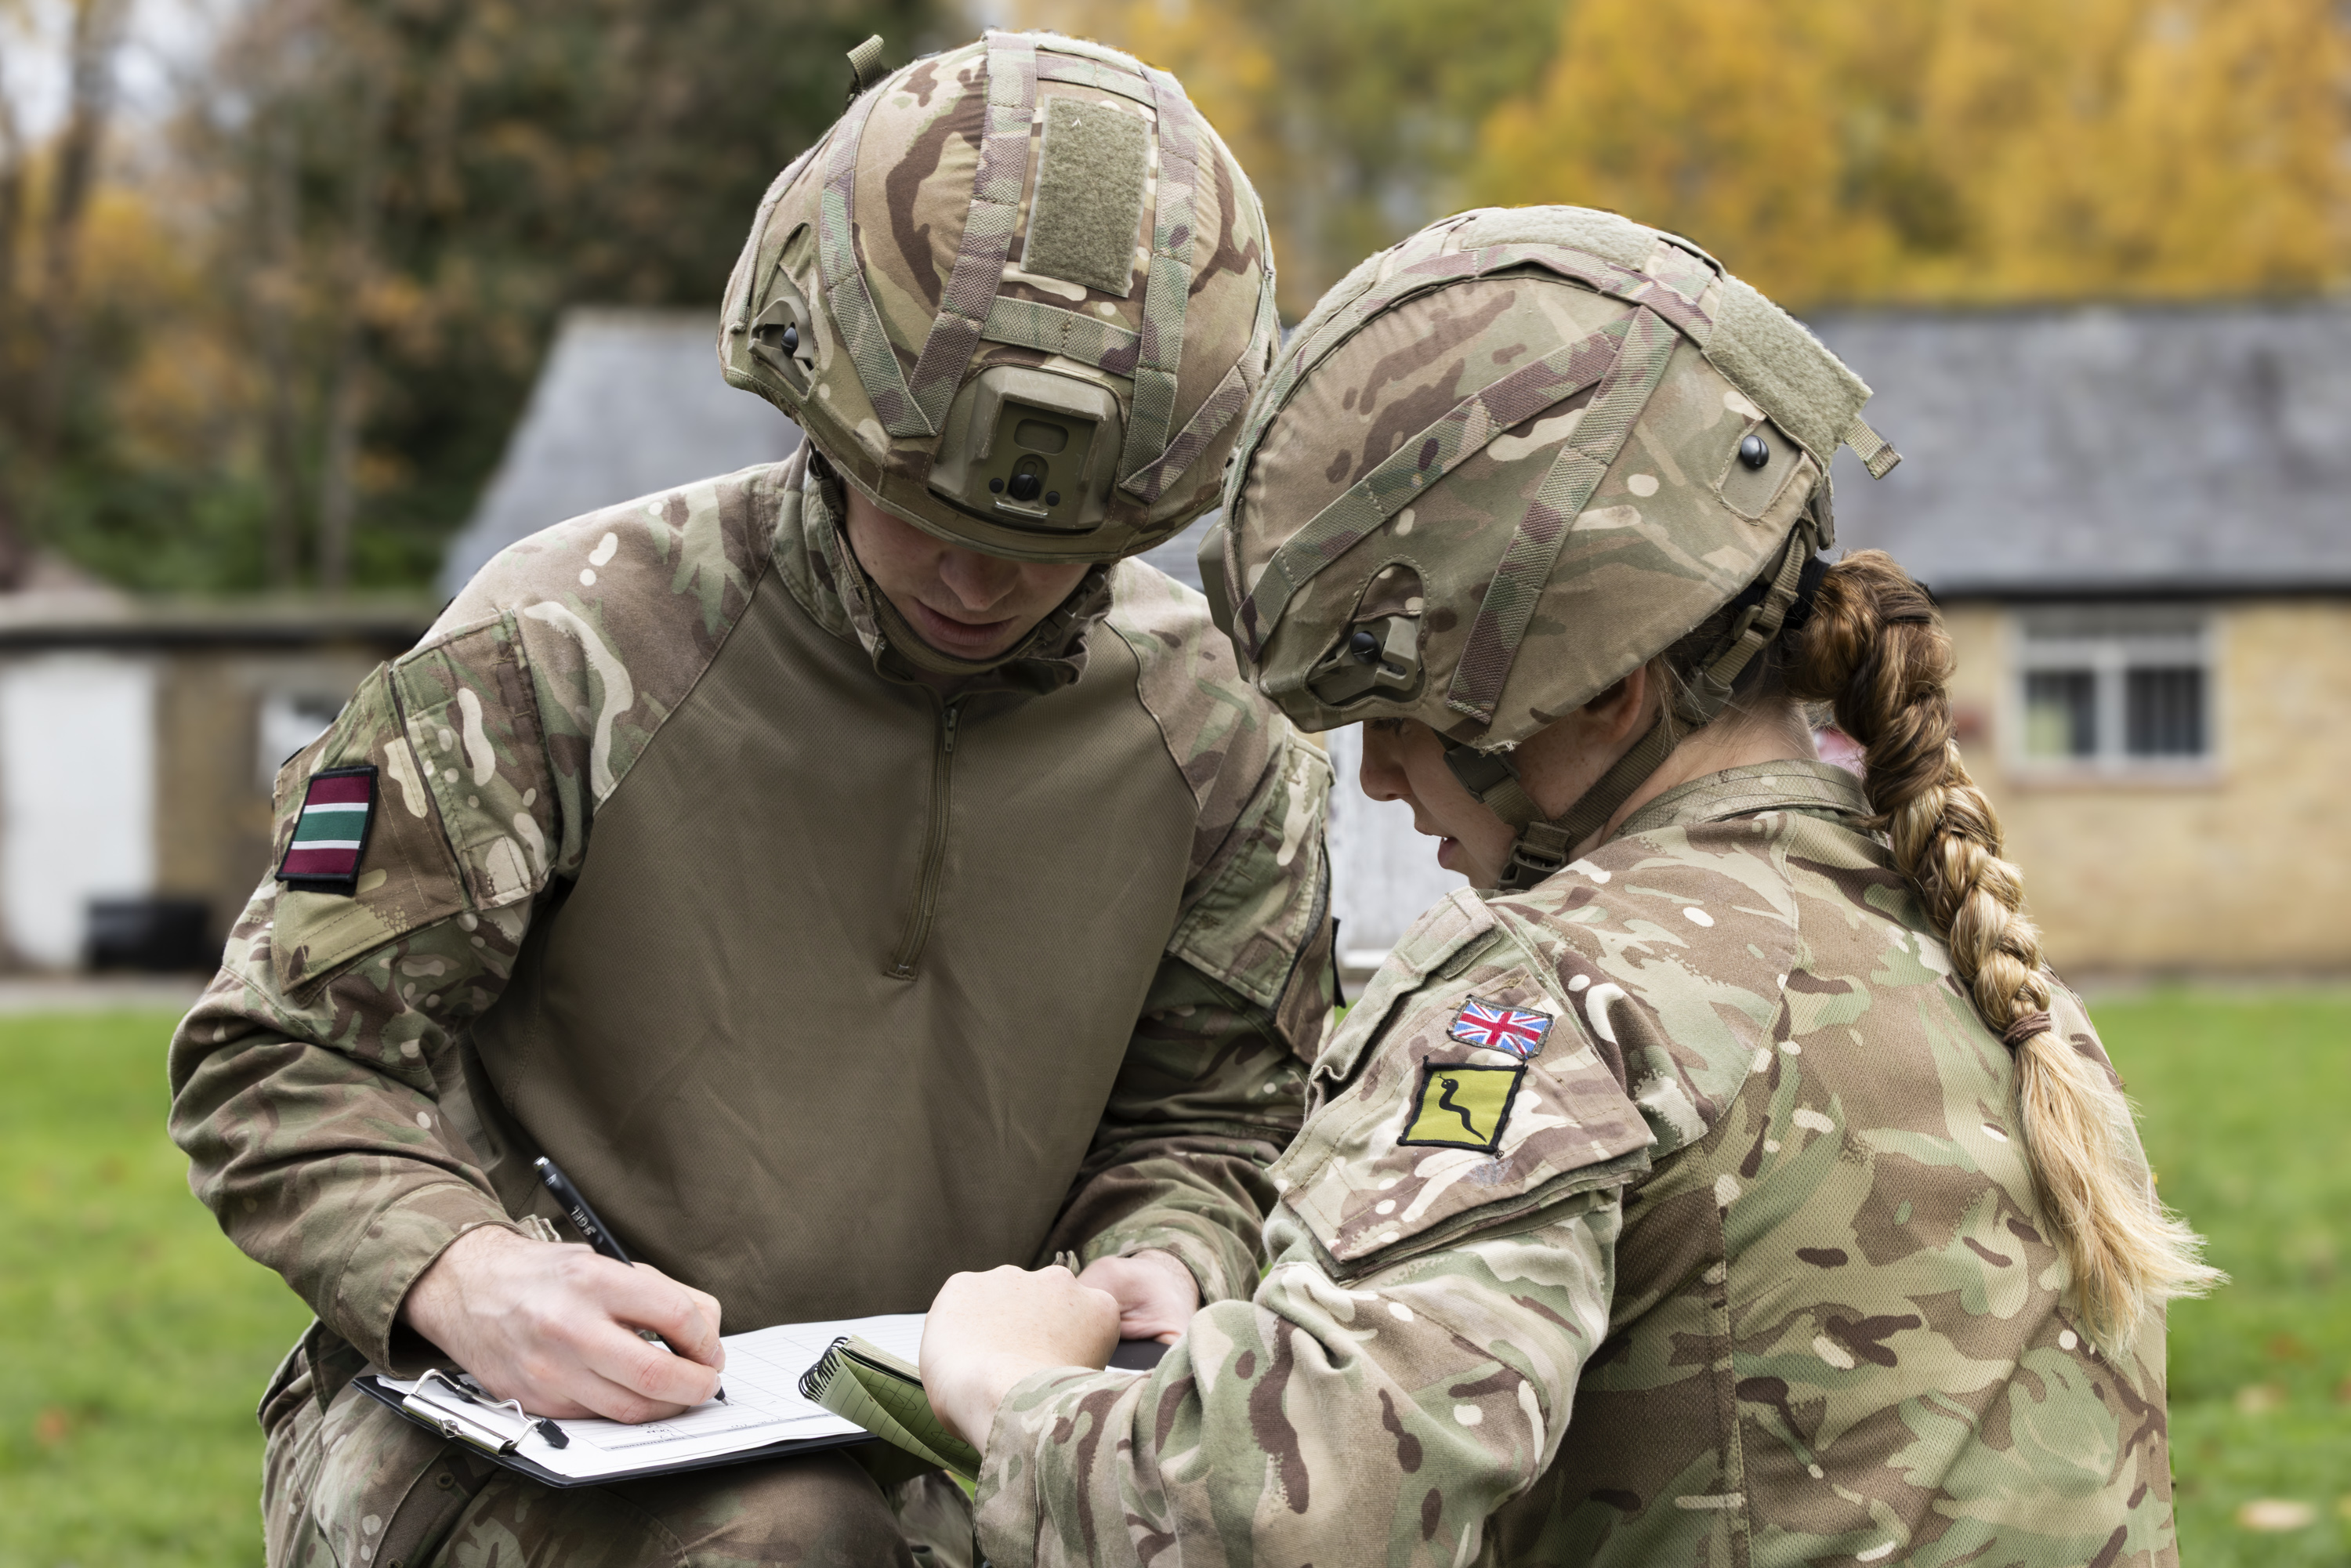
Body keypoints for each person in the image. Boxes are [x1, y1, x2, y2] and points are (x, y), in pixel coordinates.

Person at [168, 30, 1335, 1568]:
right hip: (503, 1425)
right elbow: (281, 1054)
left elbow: (1212, 1119)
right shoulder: (568, 647)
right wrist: (459, 1269)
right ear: (815, 396)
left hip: (962, 1435)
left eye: (1055, 539)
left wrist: (1164, 1254)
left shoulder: (1221, 742)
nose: (978, 578)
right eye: (921, 504)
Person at [918, 205, 2217, 1568]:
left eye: (1400, 713)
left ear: (1601, 689)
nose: (1377, 779)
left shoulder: (1564, 998)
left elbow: (1279, 1524)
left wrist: (1006, 1385)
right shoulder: (1949, 934)